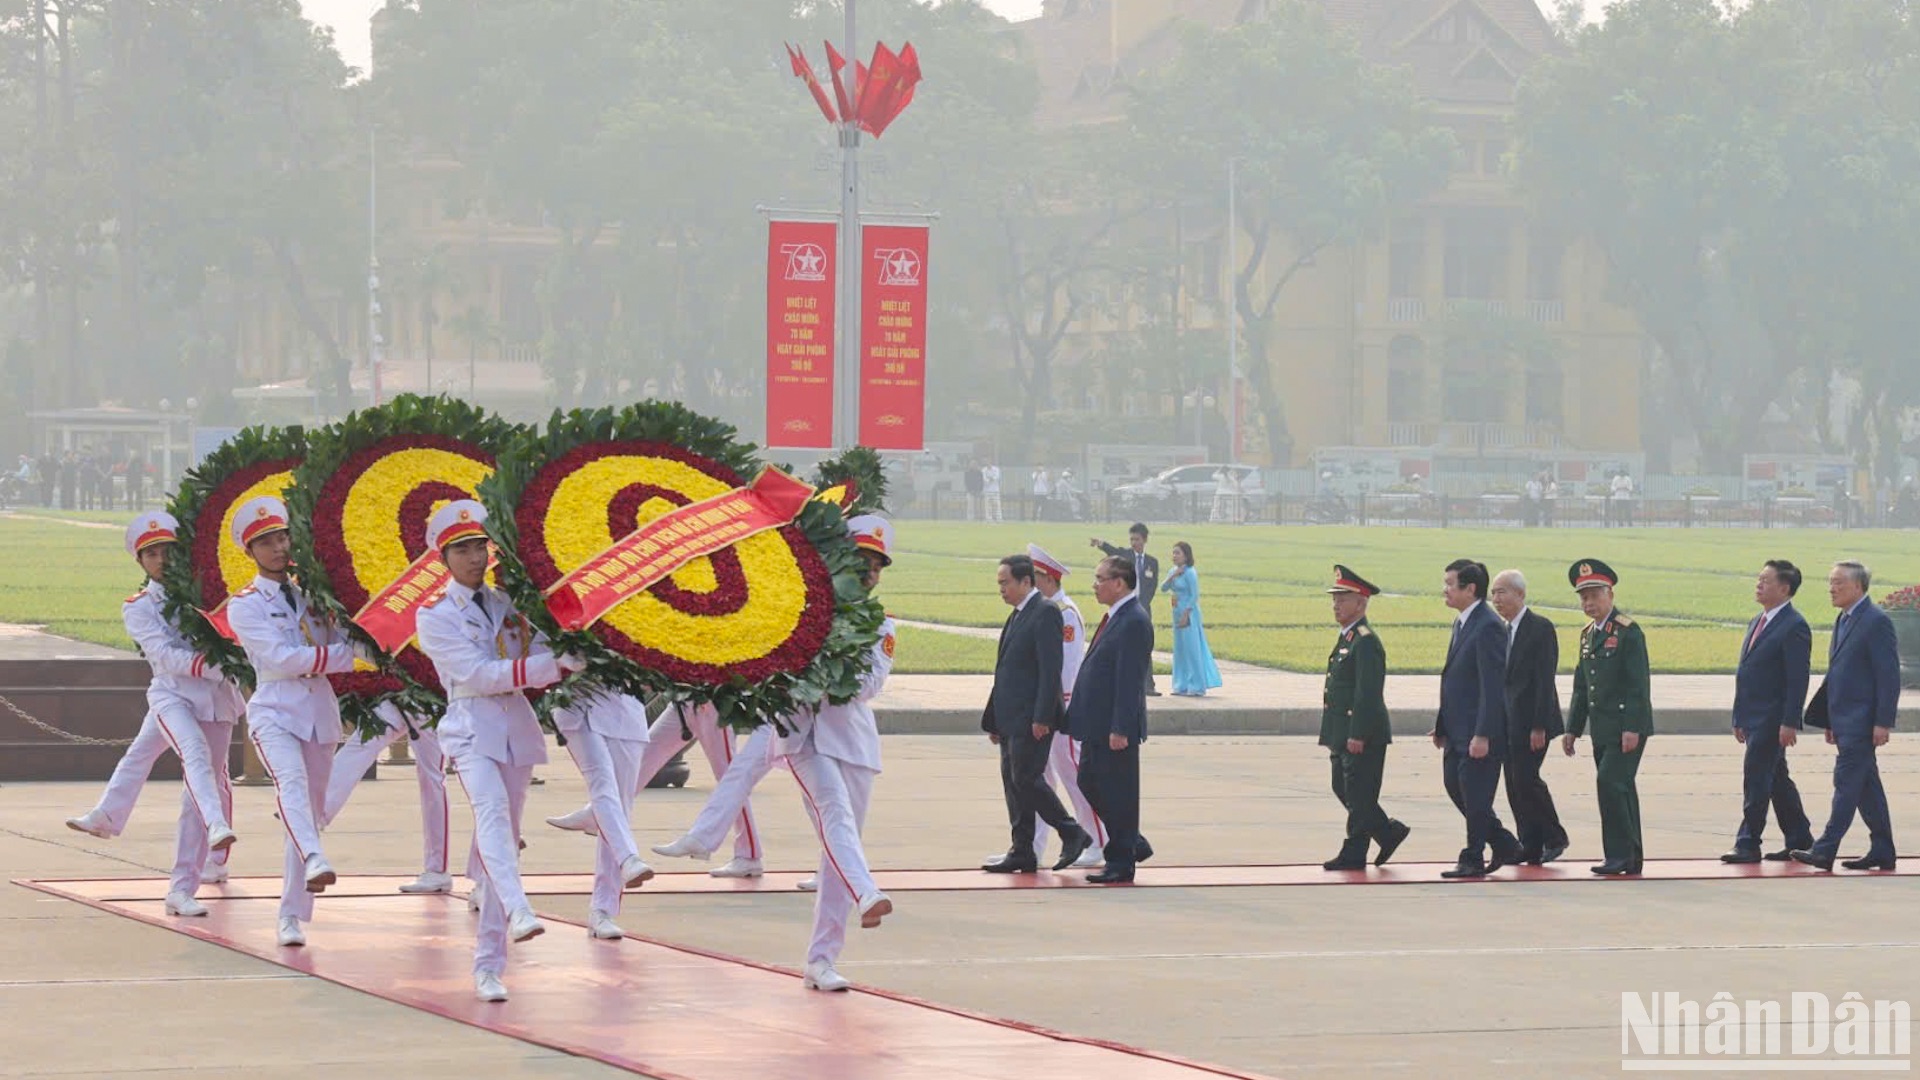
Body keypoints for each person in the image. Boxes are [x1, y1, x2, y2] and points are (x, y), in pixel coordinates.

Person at [414, 499, 585, 1001]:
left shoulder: (509, 604)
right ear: (443, 558)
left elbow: (531, 651)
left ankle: (489, 965)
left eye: (479, 547)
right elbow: (478, 674)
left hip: (515, 727)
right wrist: (554, 666)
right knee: (490, 819)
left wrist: (568, 648)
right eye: (461, 550)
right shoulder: (436, 615)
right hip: (470, 727)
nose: (473, 557)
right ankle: (518, 908)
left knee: (503, 838)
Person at [64, 512, 242, 917]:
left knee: (150, 758)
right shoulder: (140, 607)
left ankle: (110, 816)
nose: (162, 559)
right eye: (152, 554)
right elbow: (163, 655)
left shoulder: (211, 594)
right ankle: (189, 872)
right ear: (140, 561)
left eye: (168, 551)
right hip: (173, 695)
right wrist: (218, 664)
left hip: (216, 701)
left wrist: (233, 663)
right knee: (195, 765)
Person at [223, 496, 363, 946]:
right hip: (275, 710)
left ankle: (291, 915)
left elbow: (351, 638)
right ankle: (316, 858)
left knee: (307, 810)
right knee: (291, 788)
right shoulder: (245, 604)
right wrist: (347, 658)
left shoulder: (314, 594)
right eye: (267, 542)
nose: (279, 548)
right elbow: (280, 659)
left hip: (320, 714)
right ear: (251, 552)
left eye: (282, 537)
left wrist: (351, 652)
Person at [778, 514, 896, 991]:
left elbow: (868, 685)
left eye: (877, 565)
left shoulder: (881, 624)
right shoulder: (804, 608)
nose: (869, 572)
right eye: (861, 561)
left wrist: (831, 660)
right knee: (836, 821)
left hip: (853, 743)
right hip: (806, 738)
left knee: (836, 852)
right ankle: (866, 892)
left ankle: (821, 960)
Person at [553, 700, 771, 880]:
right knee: (647, 754)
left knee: (731, 778)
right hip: (685, 698)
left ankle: (748, 853)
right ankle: (597, 813)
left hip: (713, 701)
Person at [980, 553, 1094, 874]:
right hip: (1010, 718)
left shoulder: (1045, 613)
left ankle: (1071, 831)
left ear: (1025, 581)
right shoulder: (1017, 614)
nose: (1000, 589)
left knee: (1027, 779)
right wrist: (993, 719)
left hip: (1032, 718)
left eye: (1005, 583)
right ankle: (1022, 850)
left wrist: (1043, 717)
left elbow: (1050, 670)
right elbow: (1005, 671)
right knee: (1014, 784)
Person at [1792, 561, 1899, 872]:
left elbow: (1887, 676)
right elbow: (1838, 674)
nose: (1832, 588)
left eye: (1838, 582)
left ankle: (1824, 850)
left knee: (1847, 783)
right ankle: (1882, 849)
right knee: (1866, 787)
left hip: (1864, 722)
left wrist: (1882, 722)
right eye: (1830, 582)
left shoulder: (1876, 621)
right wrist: (1829, 719)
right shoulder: (1845, 619)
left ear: (1857, 586)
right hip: (1845, 719)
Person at [1066, 554, 1153, 884]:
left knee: (1118, 792)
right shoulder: (1117, 616)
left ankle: (1121, 860)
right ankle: (1132, 840)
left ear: (1119, 583)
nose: (1095, 585)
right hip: (1096, 724)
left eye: (1101, 578)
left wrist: (1121, 727)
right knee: (1088, 781)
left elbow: (1129, 681)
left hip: (1114, 728)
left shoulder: (1133, 621)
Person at [1432, 559, 1522, 878]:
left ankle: (1473, 856)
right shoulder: (1463, 622)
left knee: (1477, 795)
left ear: (1470, 589)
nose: (1444, 589)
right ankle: (1504, 842)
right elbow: (1454, 679)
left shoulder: (1487, 627)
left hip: (1478, 733)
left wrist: (1483, 734)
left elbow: (1492, 687)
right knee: (1456, 787)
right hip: (1456, 730)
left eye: (1450, 584)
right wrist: (1442, 724)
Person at [1562, 559, 1653, 876]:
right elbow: (1581, 687)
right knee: (1620, 787)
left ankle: (1619, 855)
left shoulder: (1628, 632)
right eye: (1583, 597)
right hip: (1601, 729)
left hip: (1625, 727)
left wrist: (1632, 728)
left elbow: (1637, 685)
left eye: (1595, 595)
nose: (1589, 603)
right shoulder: (1588, 635)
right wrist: (1572, 729)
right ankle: (1629, 856)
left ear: (1610, 594)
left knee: (1610, 783)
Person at [1721, 560, 1815, 864]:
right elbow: (1745, 673)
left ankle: (1748, 843)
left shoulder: (1794, 626)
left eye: (1766, 580)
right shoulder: (1757, 621)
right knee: (1776, 779)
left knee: (1757, 778)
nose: (1758, 584)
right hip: (1753, 716)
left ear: (1784, 588)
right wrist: (1739, 717)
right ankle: (1800, 838)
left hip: (1773, 719)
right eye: (1758, 579)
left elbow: (1797, 679)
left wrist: (1789, 722)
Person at [1318, 565, 1409, 871]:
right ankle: (1386, 832)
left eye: (1343, 599)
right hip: (1341, 731)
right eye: (1335, 599)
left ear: (1361, 603)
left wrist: (1357, 734)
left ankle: (1356, 850)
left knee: (1358, 793)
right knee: (1345, 789)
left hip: (1362, 733)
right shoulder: (1349, 637)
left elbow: (1367, 694)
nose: (1336, 605)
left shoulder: (1366, 641)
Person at [549, 687, 656, 940]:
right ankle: (628, 857)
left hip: (625, 715)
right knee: (603, 786)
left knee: (619, 807)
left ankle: (602, 910)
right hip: (578, 708)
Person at [1023, 543, 1105, 870]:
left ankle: (1100, 841)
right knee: (1040, 781)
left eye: (1034, 577)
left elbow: (1066, 668)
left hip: (1063, 708)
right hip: (1044, 707)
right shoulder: (1043, 611)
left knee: (1074, 776)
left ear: (1047, 579)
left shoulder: (1065, 614)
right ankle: (1032, 847)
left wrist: (1056, 708)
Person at [320, 701, 454, 894]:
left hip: (429, 699)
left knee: (431, 778)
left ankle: (437, 870)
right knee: (361, 743)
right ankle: (317, 811)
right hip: (394, 696)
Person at [1489, 569, 1569, 865]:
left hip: (1534, 720)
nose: (1497, 599)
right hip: (1508, 722)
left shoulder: (1540, 628)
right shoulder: (1501, 629)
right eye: (1494, 593)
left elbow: (1543, 680)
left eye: (1502, 592)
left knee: (1526, 780)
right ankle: (1530, 844)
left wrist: (1538, 726)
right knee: (1512, 783)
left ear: (1520, 595)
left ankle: (1555, 835)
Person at [1091, 523, 1160, 696]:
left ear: (1145, 540)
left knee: (1145, 646)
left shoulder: (1152, 562)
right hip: (1126, 609)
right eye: (1132, 539)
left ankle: (1149, 685)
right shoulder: (1125, 556)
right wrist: (1100, 544)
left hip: (1143, 609)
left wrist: (1143, 605)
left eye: (1137, 539)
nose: (1134, 542)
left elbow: (1152, 587)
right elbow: (1111, 551)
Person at [1165, 541, 1221, 697]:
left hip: (1189, 613)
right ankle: (1180, 684)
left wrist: (1186, 613)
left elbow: (1194, 595)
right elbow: (1163, 588)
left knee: (1192, 648)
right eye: (1173, 553)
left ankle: (1196, 685)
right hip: (1176, 612)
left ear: (1186, 556)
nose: (1174, 556)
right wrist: (1172, 576)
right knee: (1180, 649)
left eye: (1178, 553)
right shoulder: (1173, 571)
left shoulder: (1190, 572)